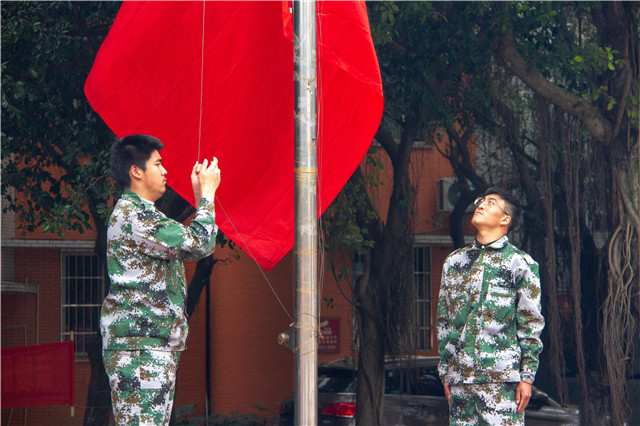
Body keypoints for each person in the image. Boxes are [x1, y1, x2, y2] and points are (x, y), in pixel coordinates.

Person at [100, 134, 221, 425]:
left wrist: (199, 198)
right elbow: (200, 244)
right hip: (141, 349)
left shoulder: (139, 215)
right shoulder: (137, 217)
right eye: (158, 163)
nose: (165, 170)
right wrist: (207, 195)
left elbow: (190, 242)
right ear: (136, 171)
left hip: (145, 346)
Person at [436, 187, 544, 425]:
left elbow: (531, 324)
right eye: (481, 201)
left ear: (505, 219)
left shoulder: (521, 264)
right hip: (460, 380)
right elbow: (444, 321)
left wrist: (526, 377)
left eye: (491, 203)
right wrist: (446, 372)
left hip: (500, 380)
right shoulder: (454, 262)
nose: (481, 205)